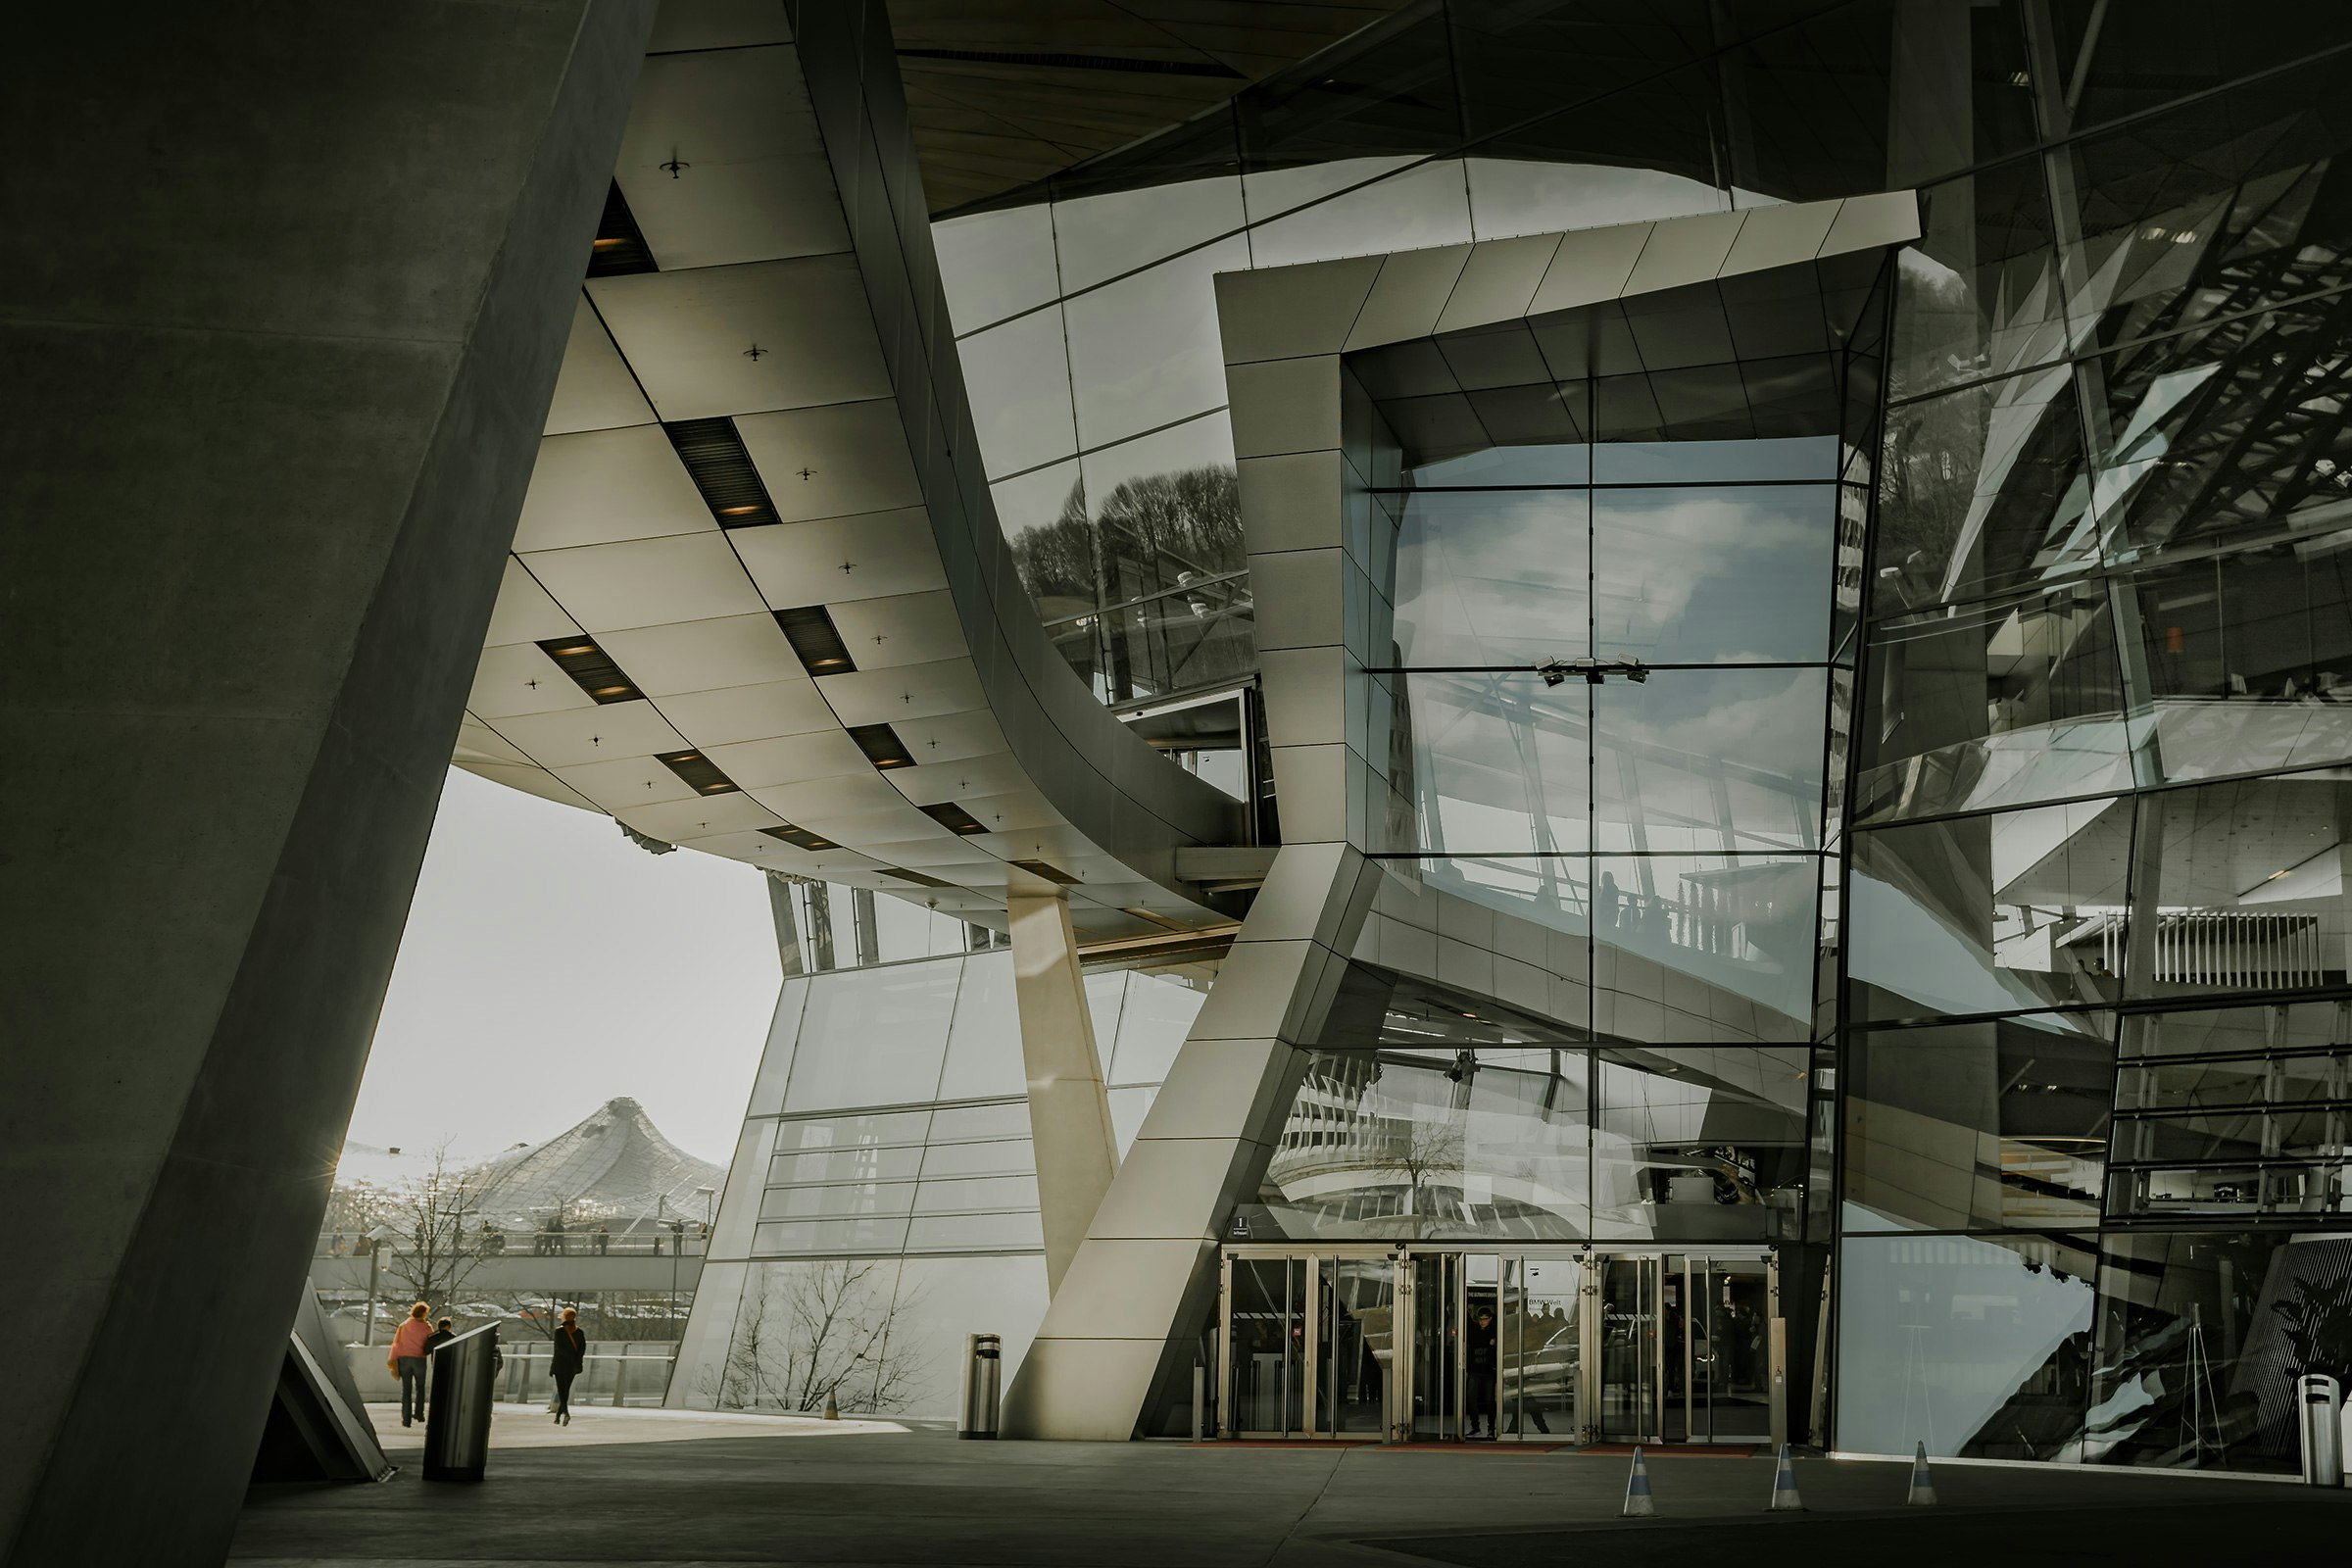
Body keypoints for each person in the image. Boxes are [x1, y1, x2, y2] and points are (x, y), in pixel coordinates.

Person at [388, 1302, 433, 1428]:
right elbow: (432, 1340)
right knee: (420, 1387)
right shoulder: (426, 1326)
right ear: (424, 1313)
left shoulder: (403, 1326)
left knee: (406, 1390)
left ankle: (406, 1419)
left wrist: (392, 1359)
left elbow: (396, 1343)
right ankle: (419, 1414)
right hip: (419, 1359)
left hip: (404, 1360)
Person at [550, 1306, 587, 1426]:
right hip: (572, 1366)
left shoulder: (559, 1331)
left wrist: (552, 1367)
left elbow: (558, 1350)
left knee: (561, 1390)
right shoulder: (579, 1332)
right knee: (566, 1390)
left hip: (560, 1365)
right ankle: (558, 1416)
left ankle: (565, 1413)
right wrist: (576, 1361)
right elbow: (582, 1350)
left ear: (564, 1317)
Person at [1466, 1306, 1498, 1439]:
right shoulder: (1475, 1331)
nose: (1482, 1322)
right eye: (1480, 1319)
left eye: (1485, 1319)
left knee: (1490, 1400)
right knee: (1471, 1398)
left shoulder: (1494, 1331)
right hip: (1476, 1370)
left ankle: (1491, 1428)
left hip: (1489, 1371)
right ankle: (1475, 1427)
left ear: (1490, 1319)